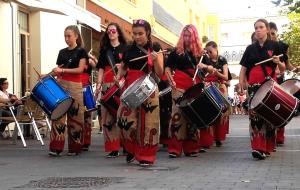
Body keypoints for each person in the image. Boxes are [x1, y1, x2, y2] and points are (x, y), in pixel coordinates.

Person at [116, 19, 164, 166]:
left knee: (148, 124)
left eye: (140, 34)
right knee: (124, 121)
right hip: (131, 87)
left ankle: (146, 156)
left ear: (147, 33)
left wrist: (155, 60)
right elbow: (123, 68)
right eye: (134, 33)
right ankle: (132, 149)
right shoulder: (128, 49)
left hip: (148, 88)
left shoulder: (155, 47)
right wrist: (118, 77)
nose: (137, 37)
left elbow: (160, 73)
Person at [239, 19, 285, 160]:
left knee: (268, 115)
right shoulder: (250, 49)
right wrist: (241, 84)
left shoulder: (275, 46)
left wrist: (278, 63)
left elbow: (283, 68)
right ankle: (257, 148)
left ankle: (267, 146)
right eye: (256, 27)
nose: (258, 30)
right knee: (254, 115)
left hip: (271, 84)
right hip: (254, 85)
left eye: (261, 27)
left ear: (266, 29)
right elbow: (244, 69)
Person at [165, 24, 213, 158]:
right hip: (179, 84)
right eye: (184, 35)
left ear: (194, 37)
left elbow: (212, 69)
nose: (186, 38)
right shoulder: (176, 52)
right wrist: (170, 78)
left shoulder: (201, 53)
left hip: (195, 85)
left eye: (189, 36)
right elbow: (167, 67)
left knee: (192, 116)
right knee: (177, 115)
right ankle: (174, 148)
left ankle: (191, 148)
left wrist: (205, 66)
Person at [48, 25, 88, 156]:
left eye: (69, 36)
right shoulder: (62, 52)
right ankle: (56, 147)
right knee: (58, 115)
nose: (66, 39)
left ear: (76, 36)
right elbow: (58, 69)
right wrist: (47, 75)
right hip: (61, 84)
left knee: (75, 116)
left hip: (75, 85)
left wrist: (63, 71)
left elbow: (80, 70)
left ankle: (75, 148)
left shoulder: (82, 51)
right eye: (65, 36)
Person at [95, 22, 128, 158]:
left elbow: (130, 67)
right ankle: (113, 147)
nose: (111, 33)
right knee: (107, 117)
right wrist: (98, 84)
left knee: (124, 115)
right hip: (107, 85)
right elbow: (101, 69)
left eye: (113, 30)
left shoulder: (126, 49)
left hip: (122, 84)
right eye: (108, 31)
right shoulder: (104, 50)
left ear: (118, 32)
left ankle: (127, 145)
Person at [269, 21, 291, 146]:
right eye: (269, 33)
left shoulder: (283, 46)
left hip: (280, 80)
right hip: (269, 79)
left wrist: (295, 69)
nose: (271, 36)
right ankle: (271, 135)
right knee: (270, 107)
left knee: (280, 108)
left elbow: (287, 65)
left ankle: (280, 136)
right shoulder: (266, 46)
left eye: (273, 33)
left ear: (276, 32)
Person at [204, 41, 229, 147]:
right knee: (209, 112)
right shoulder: (205, 59)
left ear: (216, 49)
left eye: (210, 51)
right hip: (208, 85)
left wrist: (216, 73)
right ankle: (209, 138)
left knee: (221, 112)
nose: (208, 53)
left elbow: (226, 77)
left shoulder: (222, 59)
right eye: (207, 51)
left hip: (219, 86)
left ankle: (218, 137)